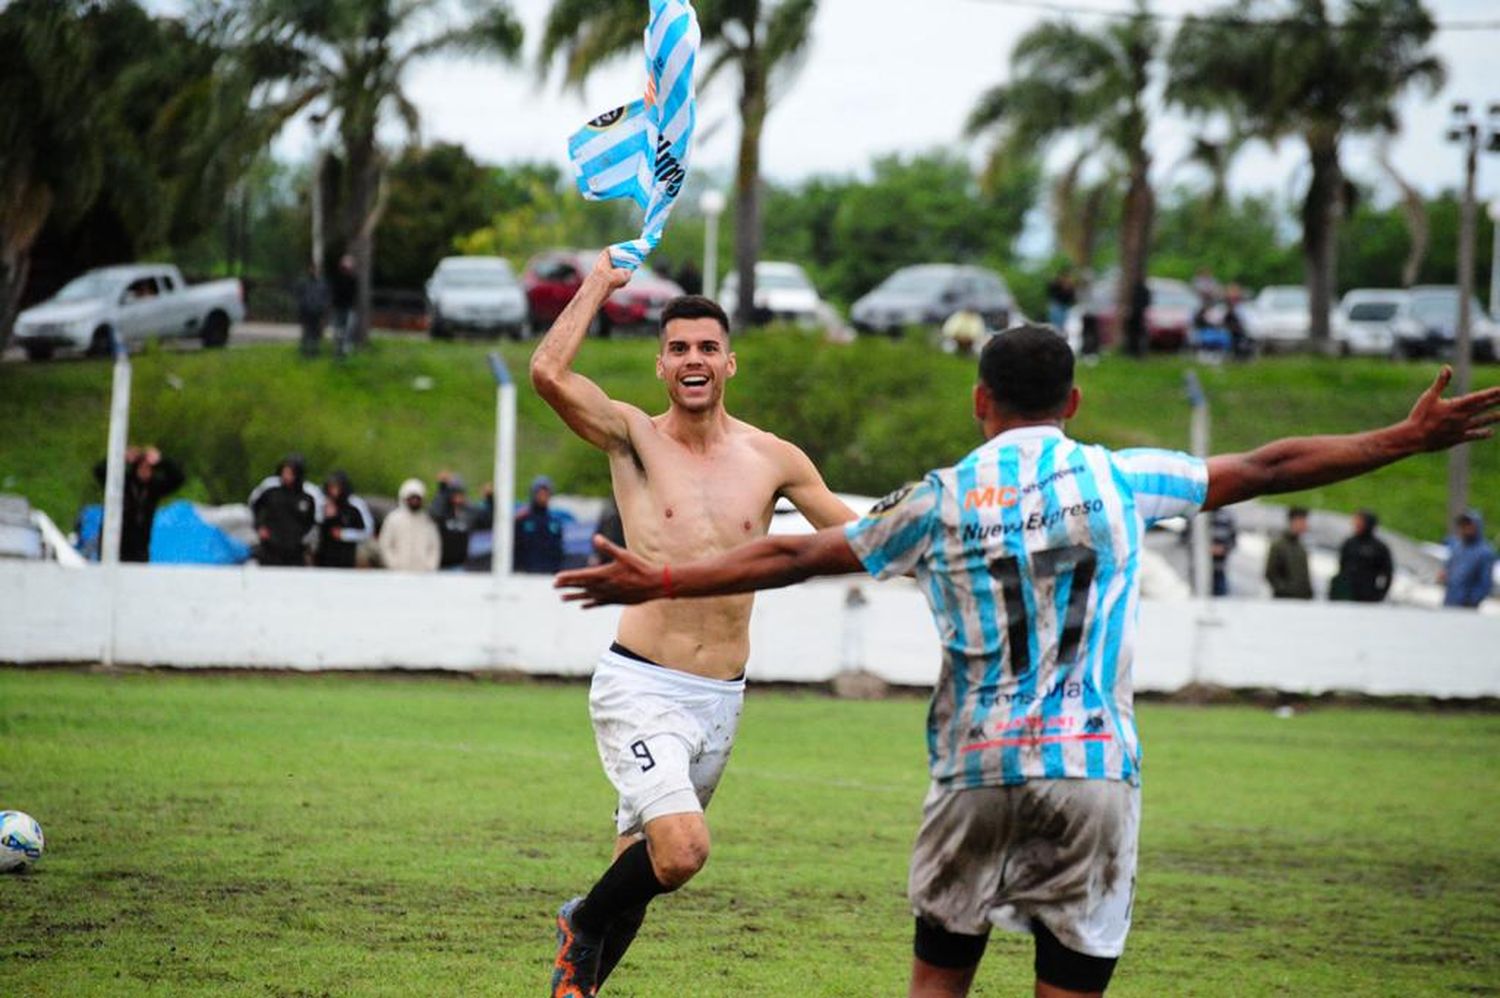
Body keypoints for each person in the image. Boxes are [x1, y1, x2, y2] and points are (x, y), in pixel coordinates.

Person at [556, 328, 1500, 998]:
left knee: (940, 977)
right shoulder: (1120, 479)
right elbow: (1270, 466)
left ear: (980, 403)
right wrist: (1405, 439)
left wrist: (666, 577)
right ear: (1075, 402)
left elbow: (801, 553)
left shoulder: (944, 498)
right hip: (1093, 770)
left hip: (973, 772)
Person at [530, 251, 855, 998]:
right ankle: (578, 922)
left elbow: (856, 539)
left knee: (638, 873)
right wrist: (597, 284)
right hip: (640, 686)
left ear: (730, 363)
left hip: (721, 699)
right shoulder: (632, 438)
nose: (693, 359)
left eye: (707, 346)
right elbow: (548, 374)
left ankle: (575, 989)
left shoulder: (773, 457)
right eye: (678, 348)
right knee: (679, 853)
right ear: (661, 366)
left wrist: (940, 535)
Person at [92, 445, 185, 562]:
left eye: (149, 468)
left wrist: (161, 461)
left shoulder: (153, 488)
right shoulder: (121, 484)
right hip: (114, 543)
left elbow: (178, 478)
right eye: (142, 467)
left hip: (140, 547)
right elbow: (99, 471)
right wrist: (122, 457)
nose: (145, 471)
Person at [249, 455, 321, 566]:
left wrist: (304, 541)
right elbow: (255, 507)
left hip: (295, 551)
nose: (286, 476)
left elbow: (313, 522)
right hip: (270, 548)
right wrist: (259, 527)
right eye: (284, 472)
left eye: (290, 473)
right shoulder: (270, 488)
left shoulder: (308, 496)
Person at [1330, 509, 1394, 603]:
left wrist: (1380, 594)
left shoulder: (1379, 547)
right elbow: (1342, 567)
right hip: (1347, 594)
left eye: (1359, 521)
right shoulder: (1349, 543)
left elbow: (1387, 573)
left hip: (1367, 596)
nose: (1355, 524)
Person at [314, 471, 374, 569]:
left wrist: (344, 534)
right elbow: (315, 525)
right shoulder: (323, 502)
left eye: (336, 487)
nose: (333, 491)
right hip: (324, 555)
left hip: (346, 556)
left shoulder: (355, 504)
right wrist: (326, 517)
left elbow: (367, 531)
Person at [431, 473, 491, 570]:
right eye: (454, 493)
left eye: (460, 493)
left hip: (463, 566)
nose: (458, 497)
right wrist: (442, 490)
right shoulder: (443, 511)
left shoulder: (471, 511)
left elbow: (489, 521)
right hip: (442, 565)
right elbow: (434, 514)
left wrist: (490, 500)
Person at [378, 478, 440, 572]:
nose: (415, 501)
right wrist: (393, 564)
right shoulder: (393, 519)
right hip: (398, 572)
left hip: (422, 573)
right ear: (404, 498)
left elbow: (434, 547)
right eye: (412, 498)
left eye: (418, 498)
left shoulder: (427, 520)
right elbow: (385, 544)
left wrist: (430, 566)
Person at [1441, 509, 1496, 608]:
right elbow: (1449, 568)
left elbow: (1485, 584)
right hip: (1449, 601)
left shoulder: (1485, 553)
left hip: (1466, 606)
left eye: (1469, 525)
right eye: (1463, 525)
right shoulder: (1458, 547)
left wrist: (1470, 601)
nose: (1465, 529)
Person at [513, 475, 567, 575]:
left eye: (546, 493)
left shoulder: (554, 522)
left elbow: (559, 550)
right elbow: (516, 547)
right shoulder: (522, 520)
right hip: (526, 573)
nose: (543, 497)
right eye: (540, 493)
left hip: (549, 573)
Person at [1264, 506, 1313, 599]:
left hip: (1302, 600)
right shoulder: (1278, 546)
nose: (1305, 525)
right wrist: (1286, 591)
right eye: (1302, 521)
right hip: (1285, 601)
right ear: (1293, 521)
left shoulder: (1301, 547)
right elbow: (1270, 574)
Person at [295, 265, 330, 358]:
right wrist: (301, 307)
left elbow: (326, 297)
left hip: (318, 312)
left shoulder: (322, 283)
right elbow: (299, 296)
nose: (313, 271)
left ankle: (315, 350)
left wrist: (323, 309)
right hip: (306, 311)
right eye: (312, 269)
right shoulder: (304, 282)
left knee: (316, 332)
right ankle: (305, 350)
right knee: (307, 331)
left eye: (315, 270)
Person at [330, 254, 358, 357]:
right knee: (338, 329)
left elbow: (353, 294)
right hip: (338, 307)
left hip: (348, 307)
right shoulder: (337, 278)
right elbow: (335, 292)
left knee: (349, 328)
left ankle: (346, 348)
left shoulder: (353, 279)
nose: (347, 268)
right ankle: (337, 349)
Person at [1210, 507, 1237, 597]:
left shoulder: (1227, 516)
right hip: (1198, 572)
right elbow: (1184, 539)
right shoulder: (1196, 516)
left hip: (1219, 568)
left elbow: (1233, 541)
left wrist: (1224, 549)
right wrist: (1206, 549)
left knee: (1220, 598)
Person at [1124, 278, 1150, 358]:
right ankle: (1133, 351)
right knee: (1134, 334)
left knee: (1138, 334)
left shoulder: (1140, 290)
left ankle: (1137, 351)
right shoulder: (1139, 290)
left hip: (1138, 315)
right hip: (1136, 315)